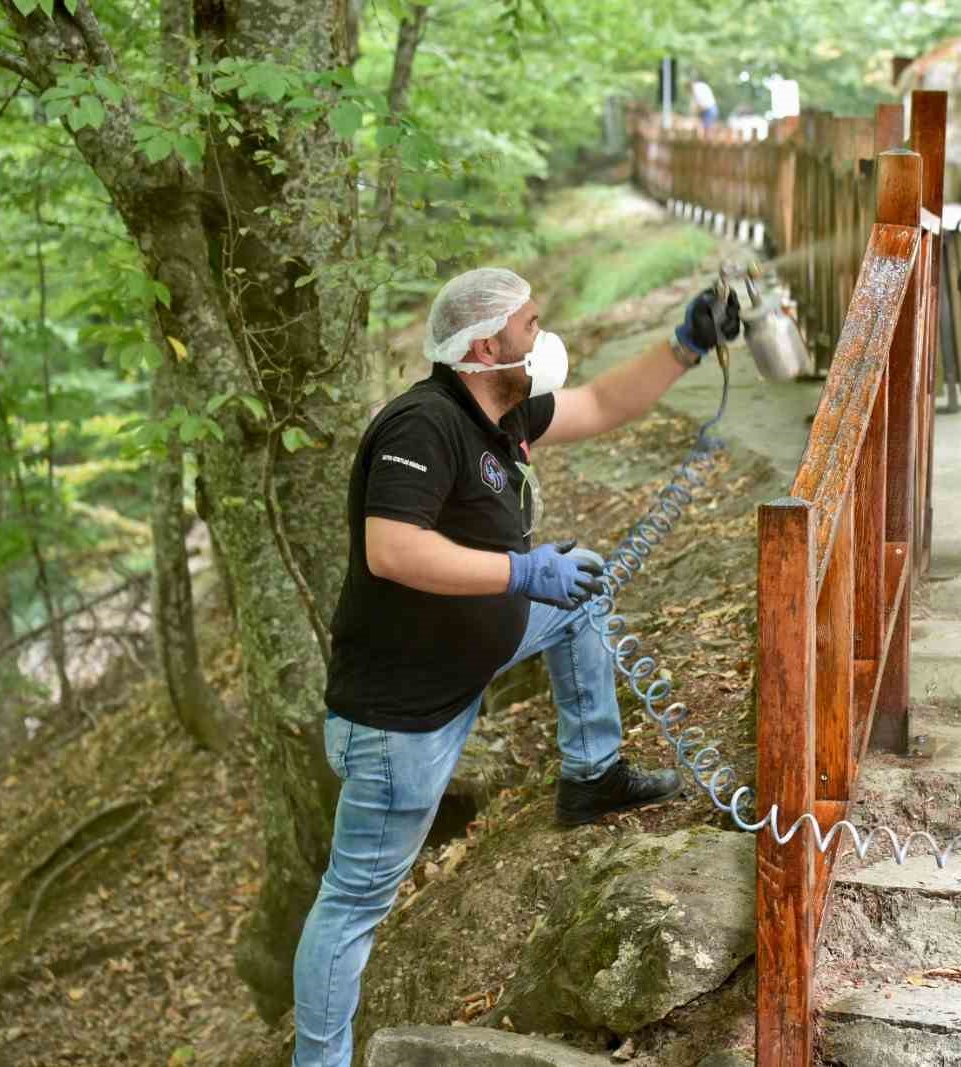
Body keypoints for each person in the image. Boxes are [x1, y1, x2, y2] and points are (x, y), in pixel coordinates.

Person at [291, 267, 741, 1067]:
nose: (544, 336)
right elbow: (391, 550)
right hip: (402, 719)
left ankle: (590, 773)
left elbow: (604, 402)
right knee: (355, 901)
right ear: (486, 345)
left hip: (474, 653)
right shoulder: (422, 427)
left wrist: (686, 343)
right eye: (532, 325)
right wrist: (523, 573)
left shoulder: (501, 411)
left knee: (580, 602)